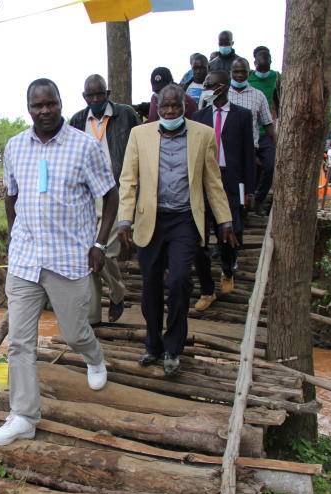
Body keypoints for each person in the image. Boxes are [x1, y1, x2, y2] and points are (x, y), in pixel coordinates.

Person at [0, 78, 118, 446]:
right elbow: (11, 195)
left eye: (51, 104)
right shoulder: (15, 146)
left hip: (68, 258)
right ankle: (23, 417)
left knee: (74, 333)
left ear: (61, 103)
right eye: (37, 105)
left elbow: (110, 196)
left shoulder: (85, 146)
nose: (44, 111)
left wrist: (99, 243)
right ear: (28, 108)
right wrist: (14, 235)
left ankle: (94, 356)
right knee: (20, 343)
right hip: (26, 259)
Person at [117, 83, 234, 377]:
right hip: (151, 219)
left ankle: (173, 347)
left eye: (175, 106)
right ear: (157, 108)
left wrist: (225, 220)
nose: (170, 111)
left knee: (180, 280)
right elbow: (128, 181)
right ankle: (153, 344)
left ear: (184, 107)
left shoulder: (203, 135)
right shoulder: (139, 135)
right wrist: (124, 220)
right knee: (150, 285)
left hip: (184, 219)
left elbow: (213, 182)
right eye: (165, 106)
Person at [69, 74, 141, 325]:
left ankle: (118, 291)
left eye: (100, 94)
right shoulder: (77, 120)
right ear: (84, 97)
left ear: (108, 94)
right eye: (91, 95)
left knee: (104, 251)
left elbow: (138, 148)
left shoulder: (125, 115)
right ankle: (93, 316)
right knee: (87, 252)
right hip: (87, 195)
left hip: (116, 191)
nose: (96, 99)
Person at [191, 70, 255, 311]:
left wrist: (249, 189)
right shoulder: (199, 116)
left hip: (230, 180)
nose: (208, 89)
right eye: (206, 85)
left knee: (229, 232)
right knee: (199, 237)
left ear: (224, 87)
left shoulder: (242, 116)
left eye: (212, 85)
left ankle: (228, 269)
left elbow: (248, 154)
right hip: (203, 181)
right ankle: (207, 290)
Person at [226, 58, 275, 215]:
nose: (240, 75)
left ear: (249, 72)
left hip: (251, 146)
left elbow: (267, 123)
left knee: (268, 167)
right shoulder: (223, 94)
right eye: (236, 71)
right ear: (230, 73)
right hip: (228, 146)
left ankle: (257, 201)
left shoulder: (258, 95)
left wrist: (277, 145)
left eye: (243, 71)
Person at [247, 47, 280, 214]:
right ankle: (247, 201)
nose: (264, 70)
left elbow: (279, 101)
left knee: (270, 165)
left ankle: (259, 200)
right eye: (261, 66)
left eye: (268, 65)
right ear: (255, 64)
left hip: (266, 130)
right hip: (249, 131)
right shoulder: (248, 77)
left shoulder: (276, 77)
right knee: (250, 167)